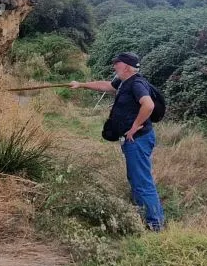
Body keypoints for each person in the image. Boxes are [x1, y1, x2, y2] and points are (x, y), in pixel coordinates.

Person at [70, 52, 165, 230]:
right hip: (134, 141)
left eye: (117, 63)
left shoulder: (136, 83)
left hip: (138, 140)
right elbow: (106, 85)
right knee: (136, 179)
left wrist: (135, 125)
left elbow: (148, 104)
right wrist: (81, 84)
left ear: (127, 67)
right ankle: (144, 217)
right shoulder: (123, 82)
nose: (114, 66)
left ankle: (155, 225)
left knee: (142, 182)